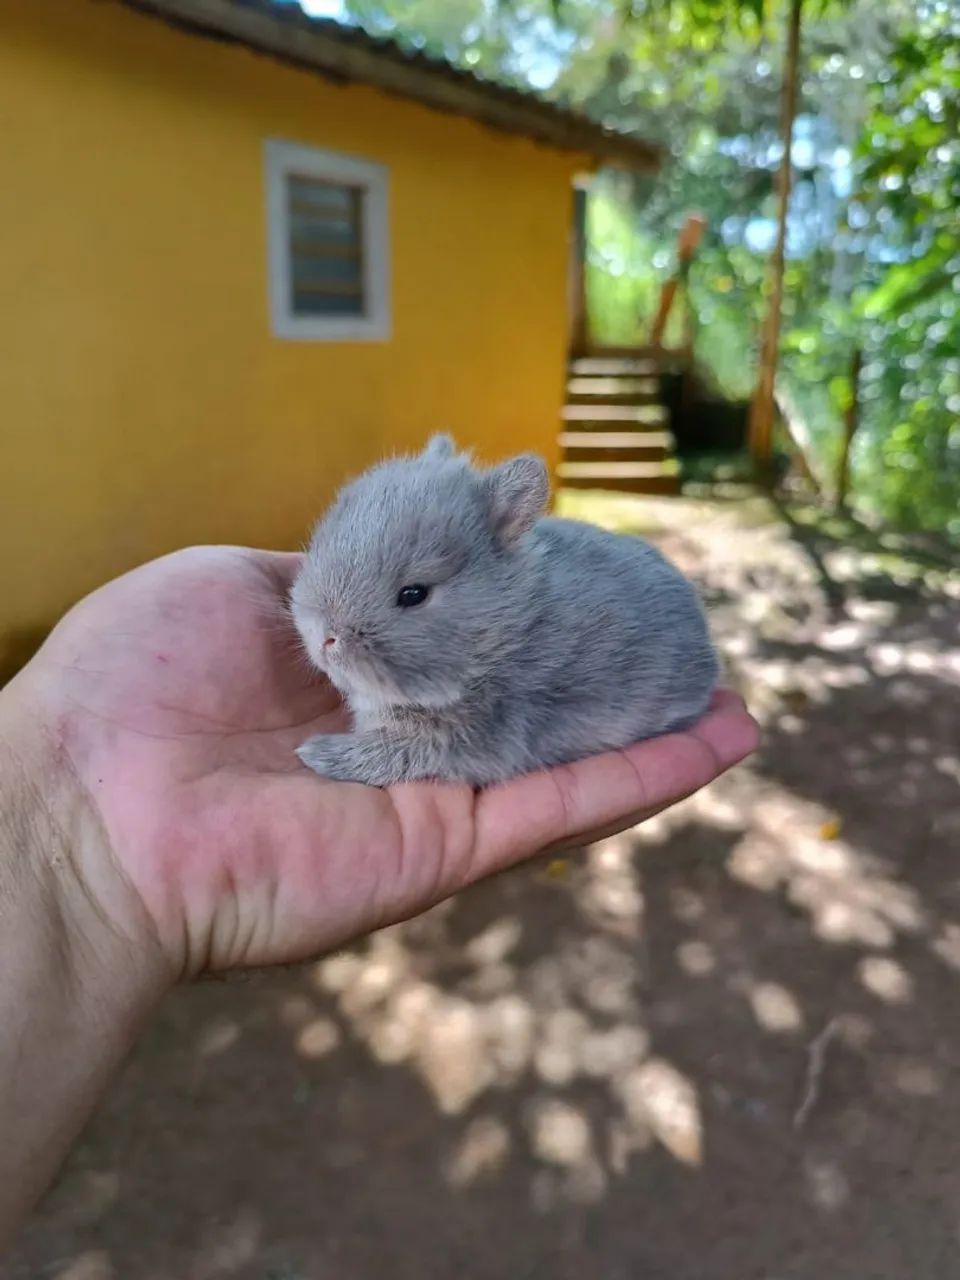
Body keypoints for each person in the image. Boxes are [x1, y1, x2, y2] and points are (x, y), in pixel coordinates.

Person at [0, 546, 758, 1245]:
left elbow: (477, 739)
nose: (328, 633)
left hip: (657, 670)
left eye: (411, 595)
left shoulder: (520, 655)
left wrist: (371, 751)